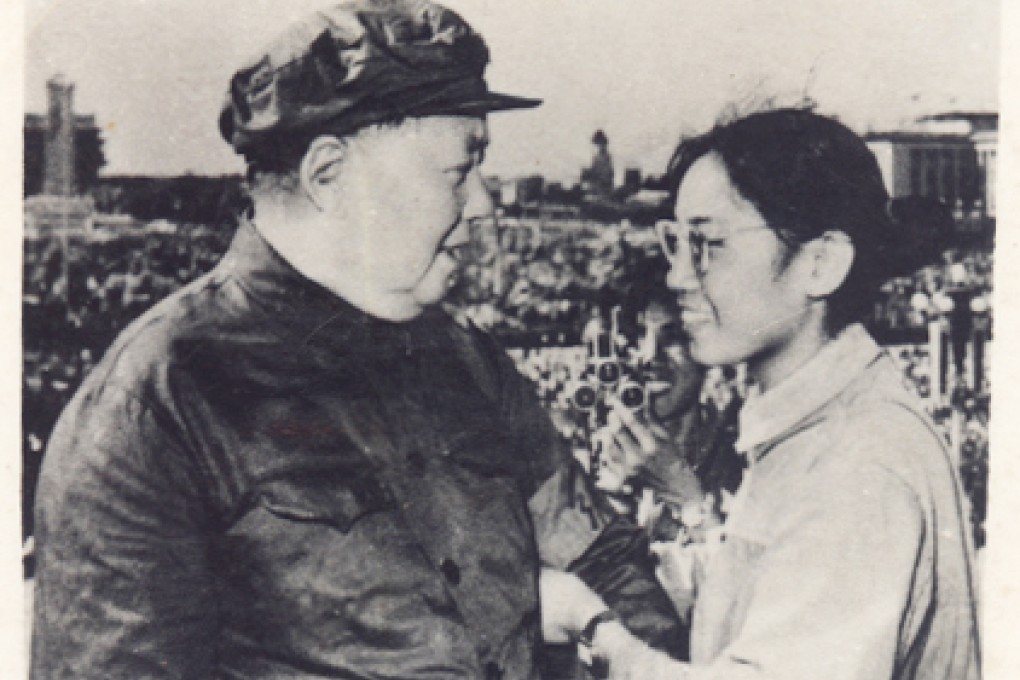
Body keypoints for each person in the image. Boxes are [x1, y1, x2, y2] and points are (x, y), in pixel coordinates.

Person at [31, 3, 620, 677]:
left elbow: (603, 557)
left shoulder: (470, 364)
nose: (484, 203)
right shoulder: (156, 406)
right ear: (327, 176)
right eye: (461, 171)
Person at [540, 108, 981, 679]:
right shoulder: (816, 428)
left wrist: (592, 626)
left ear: (819, 264)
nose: (678, 277)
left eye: (709, 244)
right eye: (675, 241)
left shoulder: (858, 462)